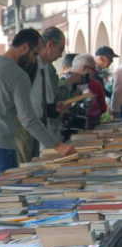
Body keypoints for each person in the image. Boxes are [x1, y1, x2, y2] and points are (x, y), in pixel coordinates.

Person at [0, 28, 75, 180]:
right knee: (3, 198)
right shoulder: (18, 75)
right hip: (1, 147)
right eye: (34, 54)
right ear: (24, 48)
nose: (33, 60)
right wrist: (57, 145)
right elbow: (28, 119)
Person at [15, 27, 76, 163]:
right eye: (60, 49)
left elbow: (39, 102)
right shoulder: (30, 66)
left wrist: (53, 108)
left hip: (36, 127)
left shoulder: (43, 67)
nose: (61, 55)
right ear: (48, 45)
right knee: (25, 171)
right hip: (26, 128)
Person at [71, 53, 107, 130]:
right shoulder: (94, 84)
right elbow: (103, 107)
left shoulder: (67, 81)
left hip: (77, 125)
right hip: (87, 124)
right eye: (93, 69)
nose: (95, 73)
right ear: (84, 68)